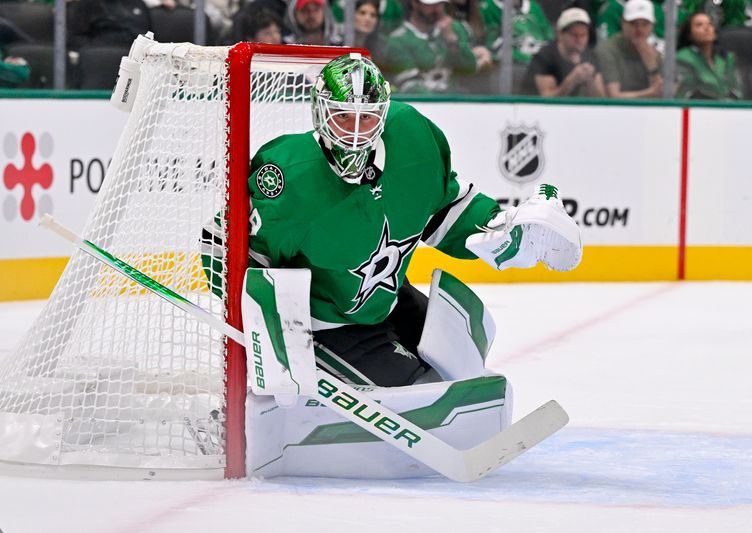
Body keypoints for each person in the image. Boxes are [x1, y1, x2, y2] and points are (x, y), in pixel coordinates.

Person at [201, 54, 582, 387]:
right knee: (421, 389)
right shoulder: (290, 178)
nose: (353, 133)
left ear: (383, 115)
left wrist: (498, 226)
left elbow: (443, 211)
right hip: (327, 324)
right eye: (342, 117)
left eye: (365, 120)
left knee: (464, 356)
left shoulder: (411, 137)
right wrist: (273, 332)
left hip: (389, 300)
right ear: (320, 112)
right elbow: (219, 245)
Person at [381, 0, 478, 93]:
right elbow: (409, 86)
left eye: (440, 3)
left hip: (460, 103)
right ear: (415, 3)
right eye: (431, 4)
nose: (437, 9)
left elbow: (470, 69)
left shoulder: (454, 29)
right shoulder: (398, 40)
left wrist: (452, 42)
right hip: (424, 105)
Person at [522, 7, 606, 96]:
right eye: (574, 35)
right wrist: (572, 79)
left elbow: (601, 99)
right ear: (560, 34)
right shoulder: (545, 56)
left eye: (583, 35)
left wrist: (591, 80)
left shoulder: (590, 57)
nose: (579, 40)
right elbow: (547, 99)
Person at [596, 0, 663, 98]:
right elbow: (614, 96)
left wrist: (652, 67)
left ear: (652, 26)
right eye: (633, 23)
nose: (639, 29)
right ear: (623, 23)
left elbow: (661, 96)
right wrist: (650, 92)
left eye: (645, 24)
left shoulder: (656, 53)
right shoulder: (608, 50)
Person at [675, 11, 744, 99]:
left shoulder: (726, 58)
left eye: (710, 24)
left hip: (728, 110)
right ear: (690, 34)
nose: (706, 28)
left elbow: (736, 89)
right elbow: (687, 93)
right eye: (699, 25)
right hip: (698, 109)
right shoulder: (683, 57)